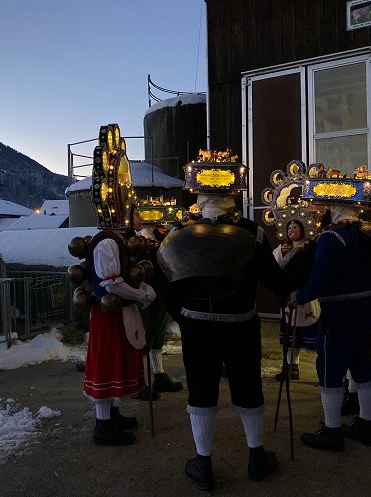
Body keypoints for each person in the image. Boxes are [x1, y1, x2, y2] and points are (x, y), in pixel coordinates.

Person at [159, 191, 289, 490]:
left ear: (200, 199)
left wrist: (183, 316)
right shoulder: (253, 232)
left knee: (201, 388)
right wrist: (286, 290)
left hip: (197, 326)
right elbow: (273, 278)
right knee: (247, 385)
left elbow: (166, 280)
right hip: (241, 324)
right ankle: (256, 456)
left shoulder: (182, 233)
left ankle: (203, 463)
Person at [288, 203, 371, 451]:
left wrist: (299, 296)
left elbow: (321, 279)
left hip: (339, 313)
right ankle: (365, 424)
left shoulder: (331, 237)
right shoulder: (365, 234)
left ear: (334, 211)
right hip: (366, 309)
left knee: (330, 367)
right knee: (363, 363)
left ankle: (331, 430)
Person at [83, 230, 157, 446]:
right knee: (107, 365)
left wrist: (142, 287)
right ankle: (102, 425)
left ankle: (111, 414)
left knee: (116, 363)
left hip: (116, 314)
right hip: (109, 316)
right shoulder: (107, 243)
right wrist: (141, 296)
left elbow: (122, 278)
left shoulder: (114, 240)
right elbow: (112, 284)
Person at [127, 205, 183, 399]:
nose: (140, 217)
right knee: (143, 338)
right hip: (145, 297)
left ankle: (158, 374)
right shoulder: (133, 243)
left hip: (160, 294)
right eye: (136, 214)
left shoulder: (154, 240)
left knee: (157, 336)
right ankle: (138, 381)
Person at [272, 219, 320, 381]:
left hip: (307, 297)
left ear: (302, 230)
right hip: (288, 298)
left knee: (312, 334)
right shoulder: (281, 249)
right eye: (289, 228)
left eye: (295, 227)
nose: (292, 230)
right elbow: (274, 269)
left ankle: (325, 366)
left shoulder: (310, 248)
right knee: (290, 336)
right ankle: (291, 368)